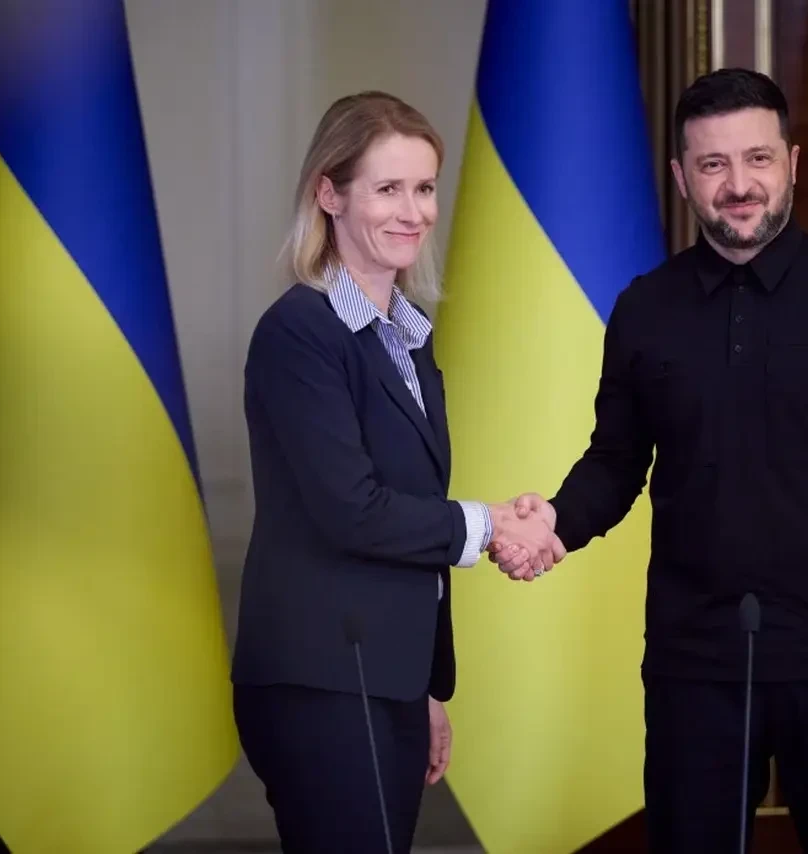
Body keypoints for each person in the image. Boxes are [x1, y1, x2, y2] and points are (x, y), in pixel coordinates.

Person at [491, 68, 808, 853]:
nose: (739, 185)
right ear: (682, 178)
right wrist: (555, 523)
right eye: (713, 164)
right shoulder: (645, 309)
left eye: (757, 159)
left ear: (791, 164)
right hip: (694, 662)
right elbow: (616, 460)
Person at [230, 91, 562, 853]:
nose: (413, 212)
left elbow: (411, 507)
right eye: (387, 188)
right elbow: (353, 509)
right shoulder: (300, 333)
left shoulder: (406, 336)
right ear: (329, 194)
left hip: (385, 679)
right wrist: (490, 525)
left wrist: (424, 687)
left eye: (424, 187)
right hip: (323, 682)